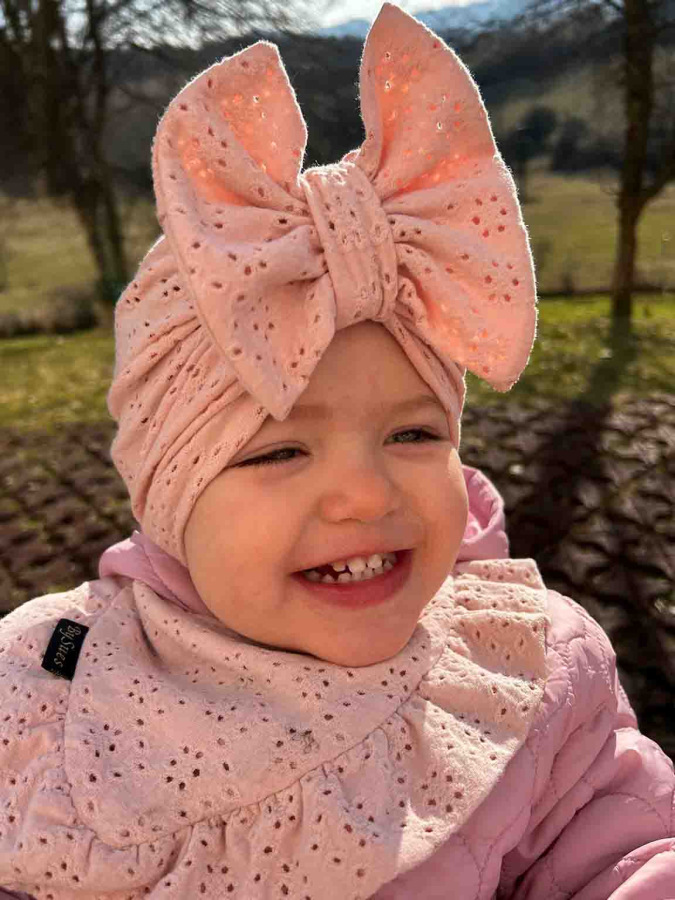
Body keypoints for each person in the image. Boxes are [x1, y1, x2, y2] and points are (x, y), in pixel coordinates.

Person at [1, 4, 673, 898]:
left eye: (412, 433)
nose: (365, 493)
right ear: (170, 493)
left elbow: (626, 854)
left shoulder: (530, 677)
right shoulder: (48, 686)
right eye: (279, 452)